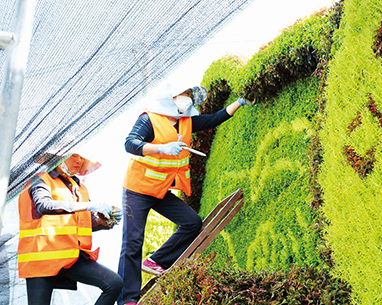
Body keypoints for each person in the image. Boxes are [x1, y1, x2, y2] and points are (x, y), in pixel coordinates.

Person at [117, 85, 252, 305]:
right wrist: (161, 148)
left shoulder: (186, 123)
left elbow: (213, 119)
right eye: (184, 96)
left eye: (189, 98)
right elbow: (130, 144)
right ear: (170, 98)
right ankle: (127, 300)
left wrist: (239, 102)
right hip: (137, 189)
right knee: (132, 243)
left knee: (192, 222)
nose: (187, 100)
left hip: (160, 190)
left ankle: (156, 261)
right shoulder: (149, 120)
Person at [17, 153, 123, 305]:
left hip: (71, 256)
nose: (79, 161)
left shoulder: (80, 188)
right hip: (41, 259)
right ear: (57, 157)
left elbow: (85, 221)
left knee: (114, 283)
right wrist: (88, 206)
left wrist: (104, 221)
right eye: (74, 156)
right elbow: (44, 206)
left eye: (82, 158)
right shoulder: (40, 180)